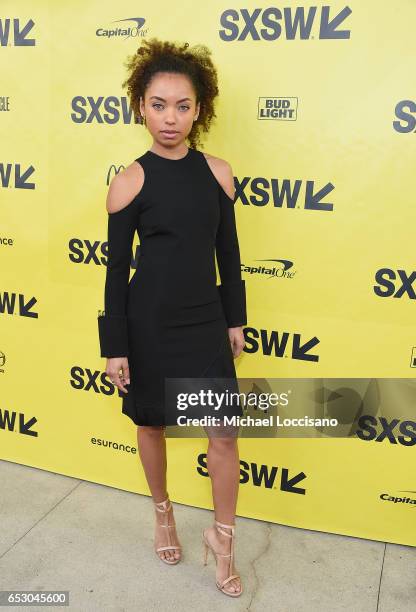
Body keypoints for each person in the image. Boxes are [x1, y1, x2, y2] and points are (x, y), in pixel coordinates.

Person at [97, 38, 247, 597]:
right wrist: (116, 345)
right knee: (152, 423)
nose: (170, 118)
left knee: (225, 431)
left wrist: (235, 319)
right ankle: (163, 514)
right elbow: (115, 274)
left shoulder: (218, 173)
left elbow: (228, 255)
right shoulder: (129, 181)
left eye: (182, 106)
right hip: (149, 325)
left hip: (206, 323)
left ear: (199, 109)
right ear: (141, 105)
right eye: (159, 104)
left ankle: (223, 538)